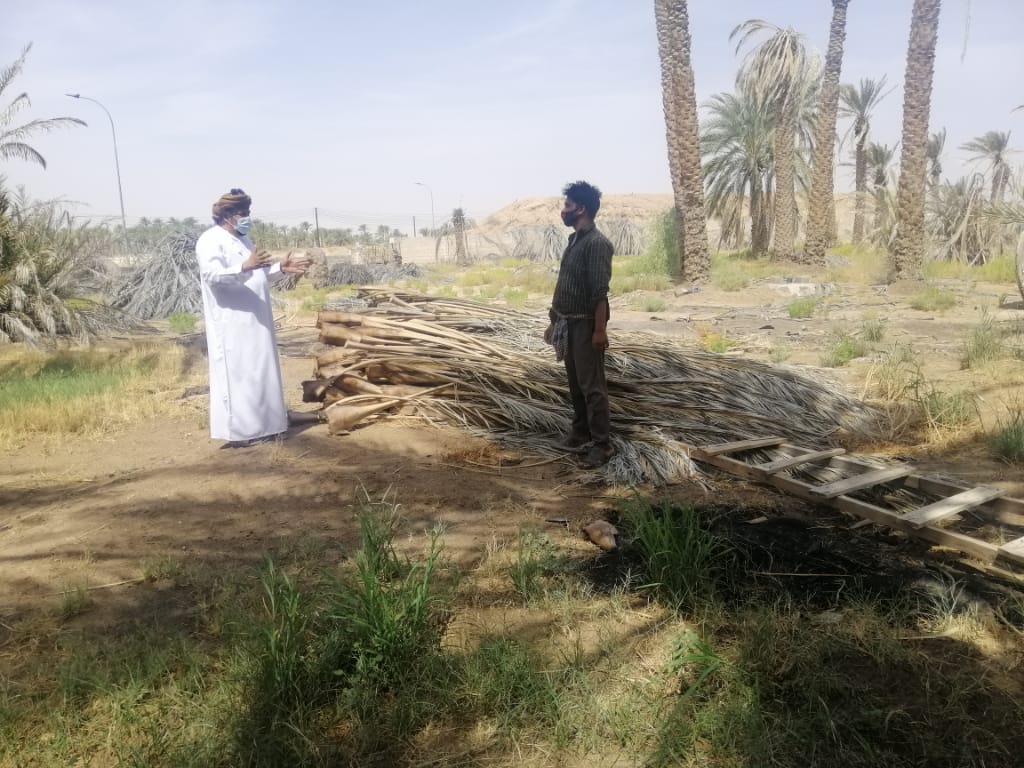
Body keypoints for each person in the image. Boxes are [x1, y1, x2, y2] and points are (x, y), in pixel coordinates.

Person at [195, 188, 311, 446]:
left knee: (261, 372)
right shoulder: (210, 240)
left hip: (258, 322)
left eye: (248, 212)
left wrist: (281, 269)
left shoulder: (244, 240)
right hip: (232, 324)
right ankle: (243, 433)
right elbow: (212, 276)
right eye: (242, 213)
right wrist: (244, 266)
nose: (247, 217)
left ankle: (268, 426)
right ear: (227, 214)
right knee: (240, 375)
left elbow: (257, 274)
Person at [544, 180, 615, 469]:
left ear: (581, 208)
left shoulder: (597, 244)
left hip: (586, 327)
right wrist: (554, 321)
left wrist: (599, 331)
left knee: (592, 387)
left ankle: (602, 445)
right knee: (576, 384)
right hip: (568, 324)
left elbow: (600, 293)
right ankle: (580, 432)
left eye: (568, 205)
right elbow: (565, 287)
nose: (564, 210)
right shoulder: (574, 241)